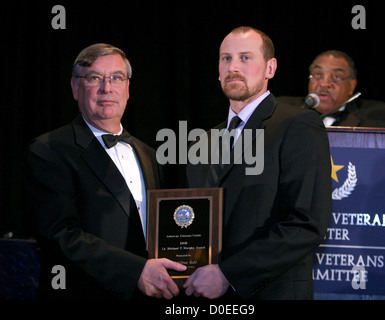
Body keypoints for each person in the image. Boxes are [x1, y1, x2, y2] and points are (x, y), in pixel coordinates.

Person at [23, 43, 186, 299]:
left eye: (116, 78)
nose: (106, 88)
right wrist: (135, 272)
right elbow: (60, 235)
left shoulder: (149, 155)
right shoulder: (49, 150)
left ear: (128, 88)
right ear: (75, 88)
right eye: (94, 78)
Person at [184, 27, 332, 299]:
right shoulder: (200, 142)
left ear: (270, 68)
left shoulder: (297, 125)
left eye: (245, 58)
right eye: (226, 58)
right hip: (204, 296)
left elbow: (306, 223)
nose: (234, 67)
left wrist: (229, 274)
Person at [277, 50, 385, 128]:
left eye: (336, 77)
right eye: (318, 75)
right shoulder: (282, 109)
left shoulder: (379, 116)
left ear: (351, 86)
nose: (324, 84)